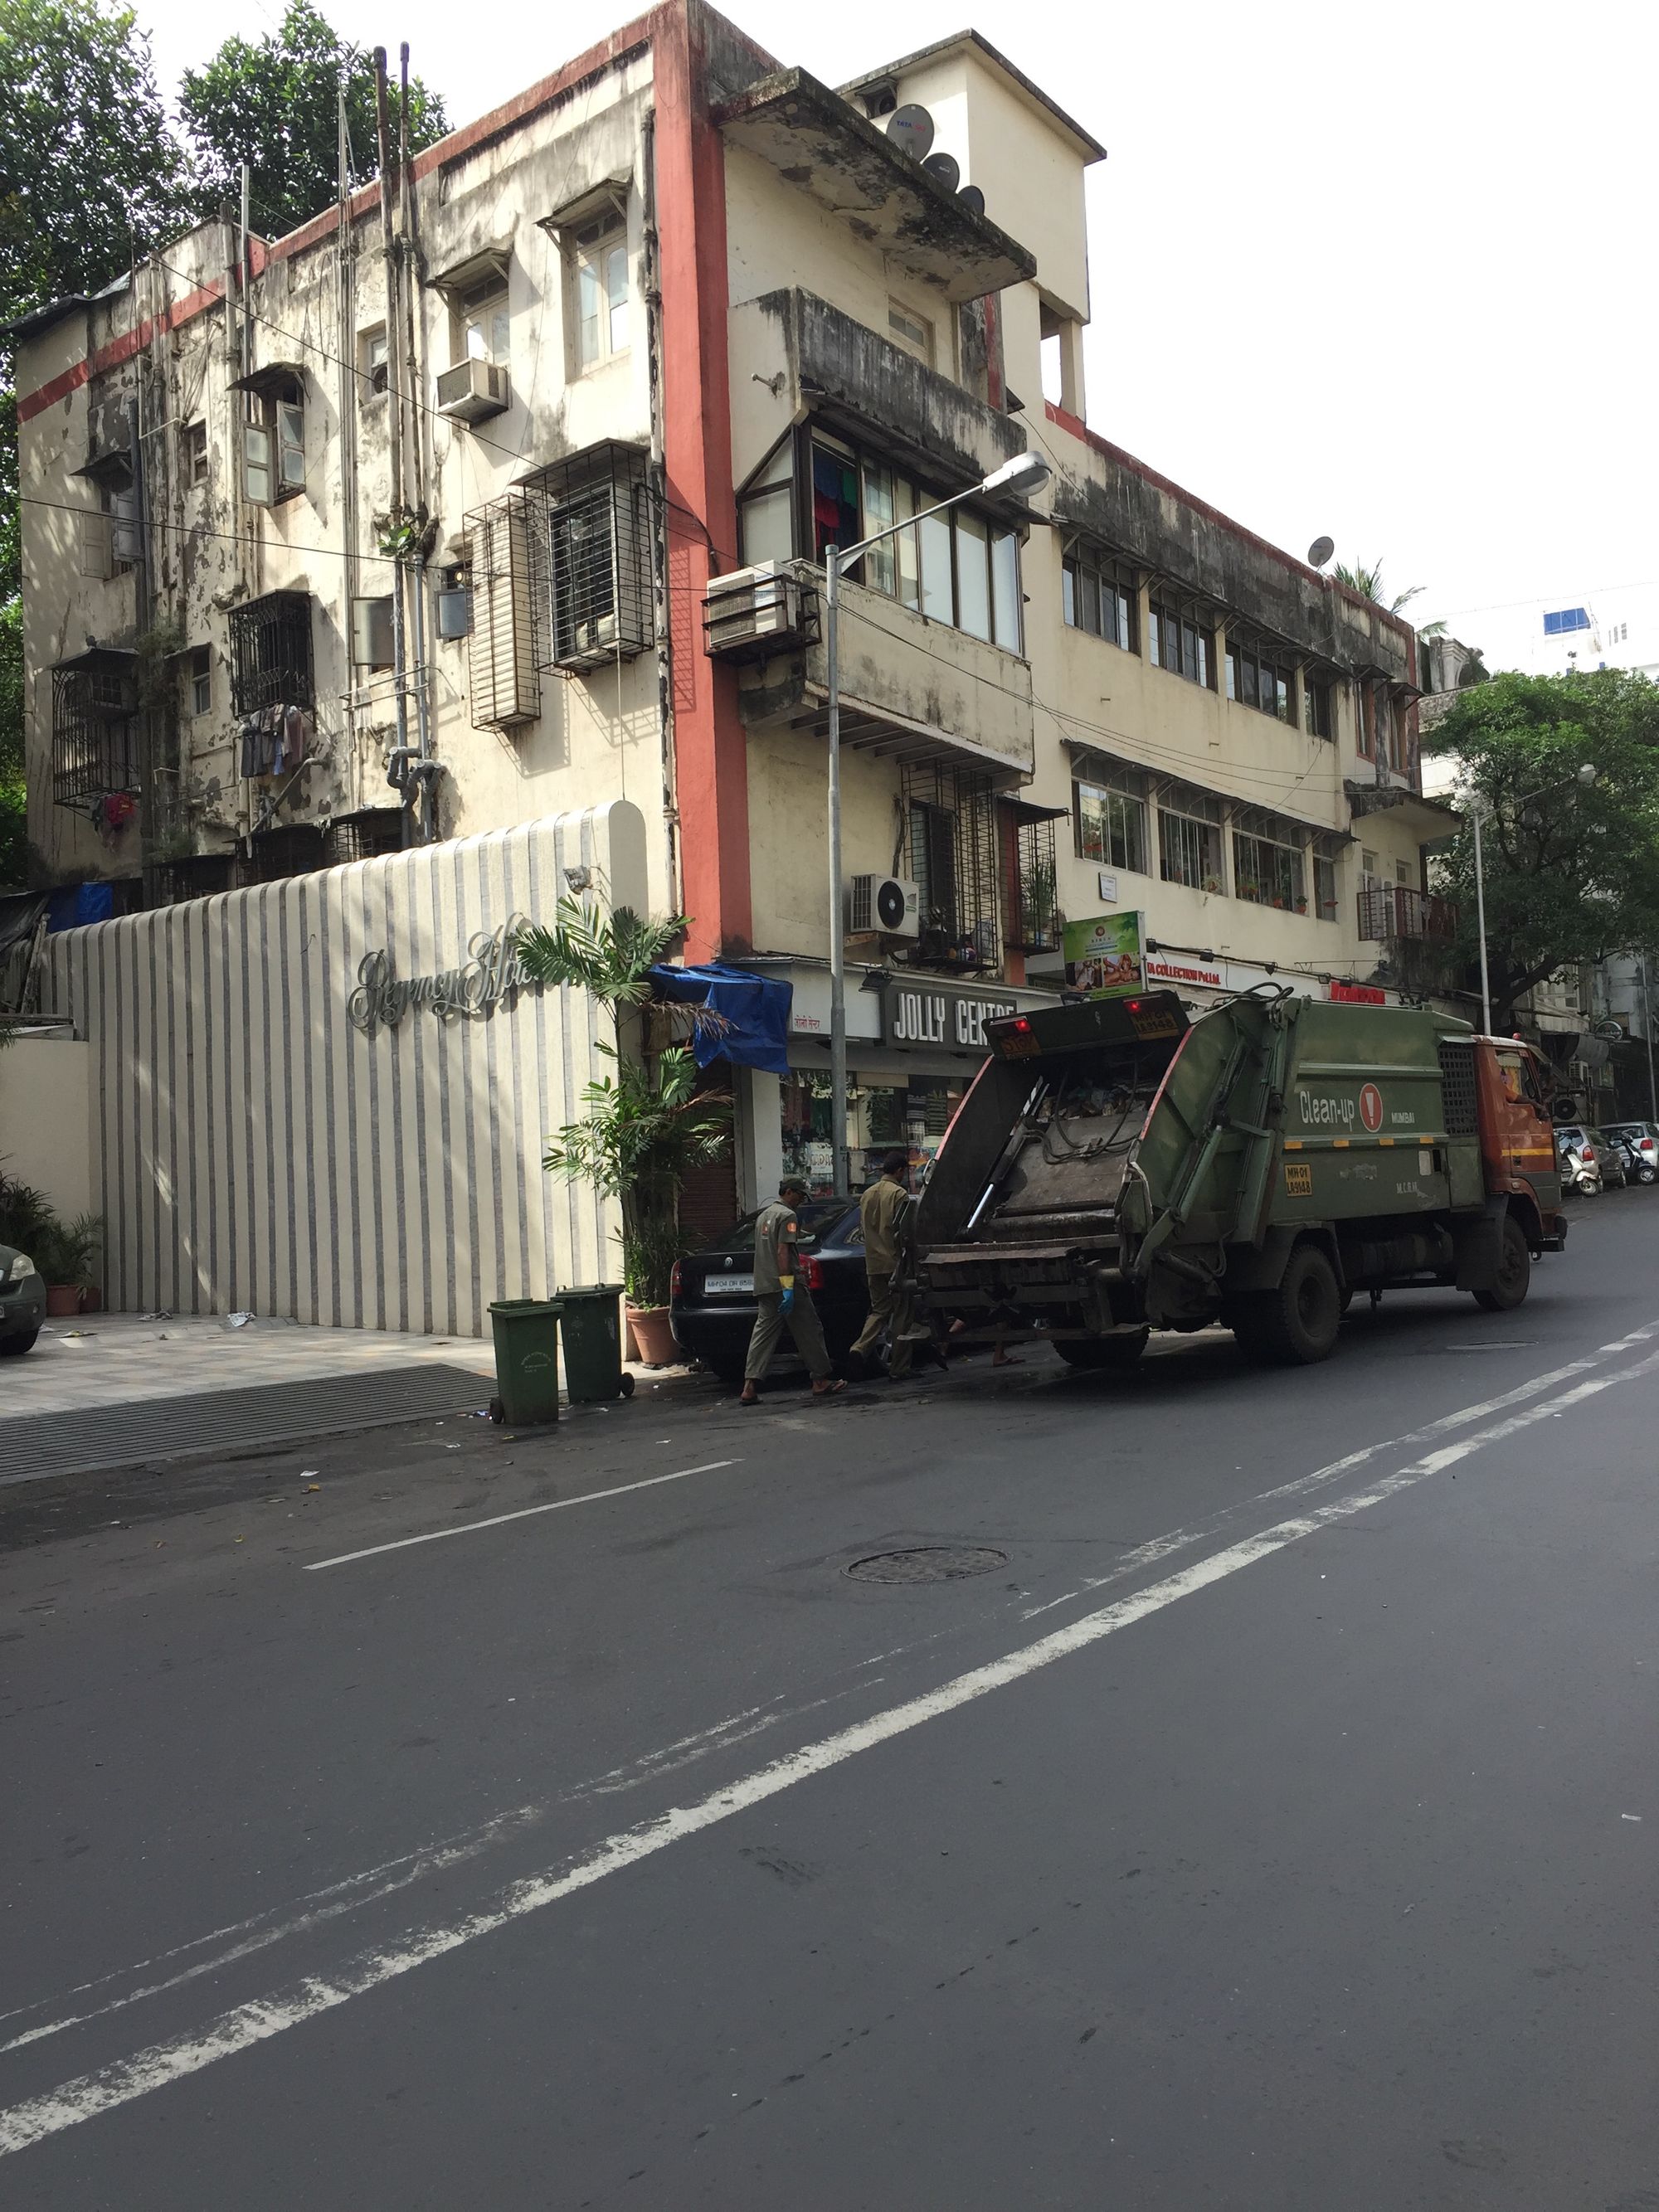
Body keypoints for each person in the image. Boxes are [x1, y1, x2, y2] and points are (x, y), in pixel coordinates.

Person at [739, 1177, 845, 1405]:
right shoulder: (788, 1216)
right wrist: (787, 1287)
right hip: (787, 1284)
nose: (801, 1200)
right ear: (788, 1192)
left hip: (765, 1284)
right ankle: (820, 1380)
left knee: (763, 1335)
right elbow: (782, 1252)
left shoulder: (764, 1215)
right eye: (799, 1195)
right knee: (809, 1329)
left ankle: (749, 1386)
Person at [849, 1151, 917, 1380]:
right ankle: (900, 1368)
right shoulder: (899, 1194)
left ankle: (859, 1347)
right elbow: (905, 1232)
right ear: (899, 1171)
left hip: (873, 1263)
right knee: (901, 1314)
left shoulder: (866, 1195)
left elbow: (862, 1229)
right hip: (896, 1263)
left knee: (879, 1310)